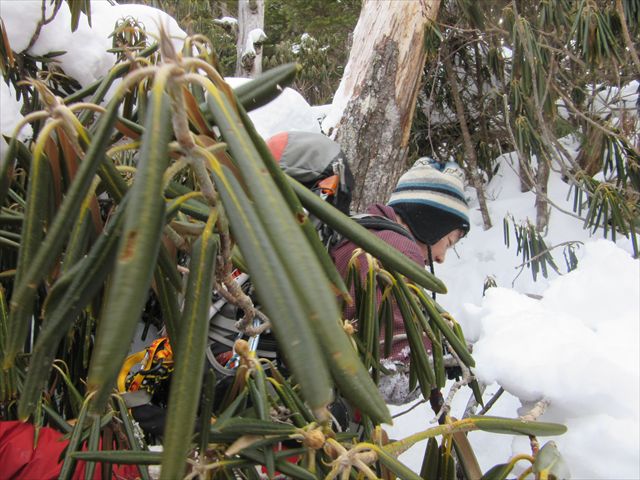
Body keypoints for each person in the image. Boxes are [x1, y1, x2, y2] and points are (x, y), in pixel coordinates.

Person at [330, 157, 471, 405]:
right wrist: (439, 360)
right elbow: (390, 380)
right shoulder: (398, 252)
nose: (441, 258)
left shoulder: (359, 231)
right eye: (448, 243)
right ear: (432, 224)